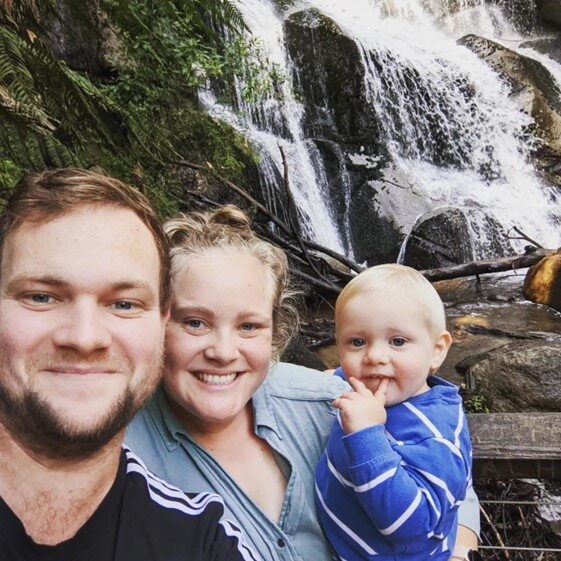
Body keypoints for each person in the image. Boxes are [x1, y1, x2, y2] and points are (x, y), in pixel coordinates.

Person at [126, 206, 480, 561]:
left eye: (249, 326)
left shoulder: (333, 399)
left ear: (274, 333)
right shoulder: (117, 455)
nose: (222, 352)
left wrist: (459, 548)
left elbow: (446, 474)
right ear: (157, 323)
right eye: (195, 323)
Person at [0, 169, 257, 561]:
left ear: (161, 321)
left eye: (123, 304)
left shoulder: (202, 542)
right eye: (41, 297)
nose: (84, 338)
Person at [315, 264, 472, 560]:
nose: (374, 356)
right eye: (357, 342)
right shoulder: (368, 386)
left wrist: (367, 437)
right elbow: (343, 372)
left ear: (437, 350)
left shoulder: (435, 438)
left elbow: (412, 525)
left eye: (397, 342)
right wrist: (332, 376)